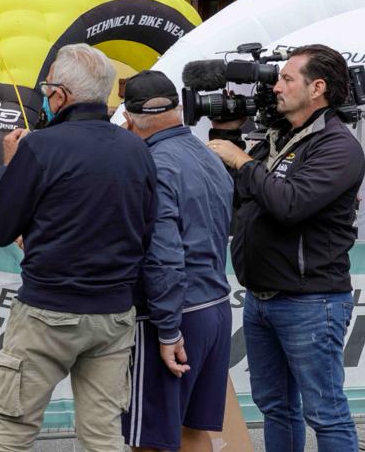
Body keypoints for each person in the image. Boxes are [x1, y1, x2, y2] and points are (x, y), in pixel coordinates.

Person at [0, 43, 156, 452]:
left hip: (47, 309)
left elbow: (0, 228)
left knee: (12, 433)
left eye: (47, 90)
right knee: (103, 435)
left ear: (59, 95)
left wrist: (10, 165)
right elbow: (146, 232)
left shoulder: (40, 147)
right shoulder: (136, 149)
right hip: (113, 313)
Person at [208, 44, 365, 452]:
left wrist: (242, 160)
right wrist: (227, 136)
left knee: (326, 413)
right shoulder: (279, 138)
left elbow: (289, 205)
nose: (276, 87)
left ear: (317, 88)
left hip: (311, 301)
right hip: (261, 298)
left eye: (286, 79)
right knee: (276, 408)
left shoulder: (337, 146)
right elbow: (237, 196)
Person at [120, 70, 234, 452]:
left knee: (150, 441)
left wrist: (168, 330)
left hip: (175, 313)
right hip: (215, 305)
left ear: (128, 119)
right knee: (192, 431)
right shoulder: (207, 154)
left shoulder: (153, 164)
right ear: (181, 107)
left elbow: (163, 255)